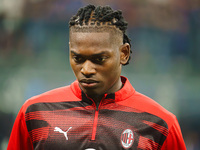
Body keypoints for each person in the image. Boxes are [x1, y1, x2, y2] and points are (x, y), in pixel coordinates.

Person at [7, 4, 186, 150]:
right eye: (77, 58)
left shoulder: (161, 124)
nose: (86, 69)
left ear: (123, 53)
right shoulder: (34, 112)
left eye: (99, 59)